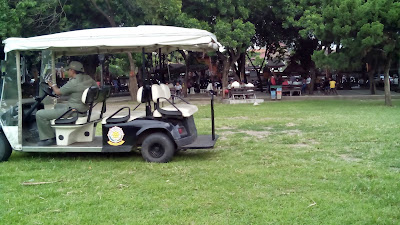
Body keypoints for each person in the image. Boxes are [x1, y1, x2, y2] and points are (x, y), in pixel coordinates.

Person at [35, 61, 97, 146]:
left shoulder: (73, 83)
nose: (67, 72)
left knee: (40, 114)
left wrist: (52, 85)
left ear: (72, 70)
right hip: (83, 110)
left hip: (72, 111)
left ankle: (49, 138)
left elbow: (58, 92)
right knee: (57, 105)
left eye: (68, 70)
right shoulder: (88, 79)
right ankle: (53, 132)